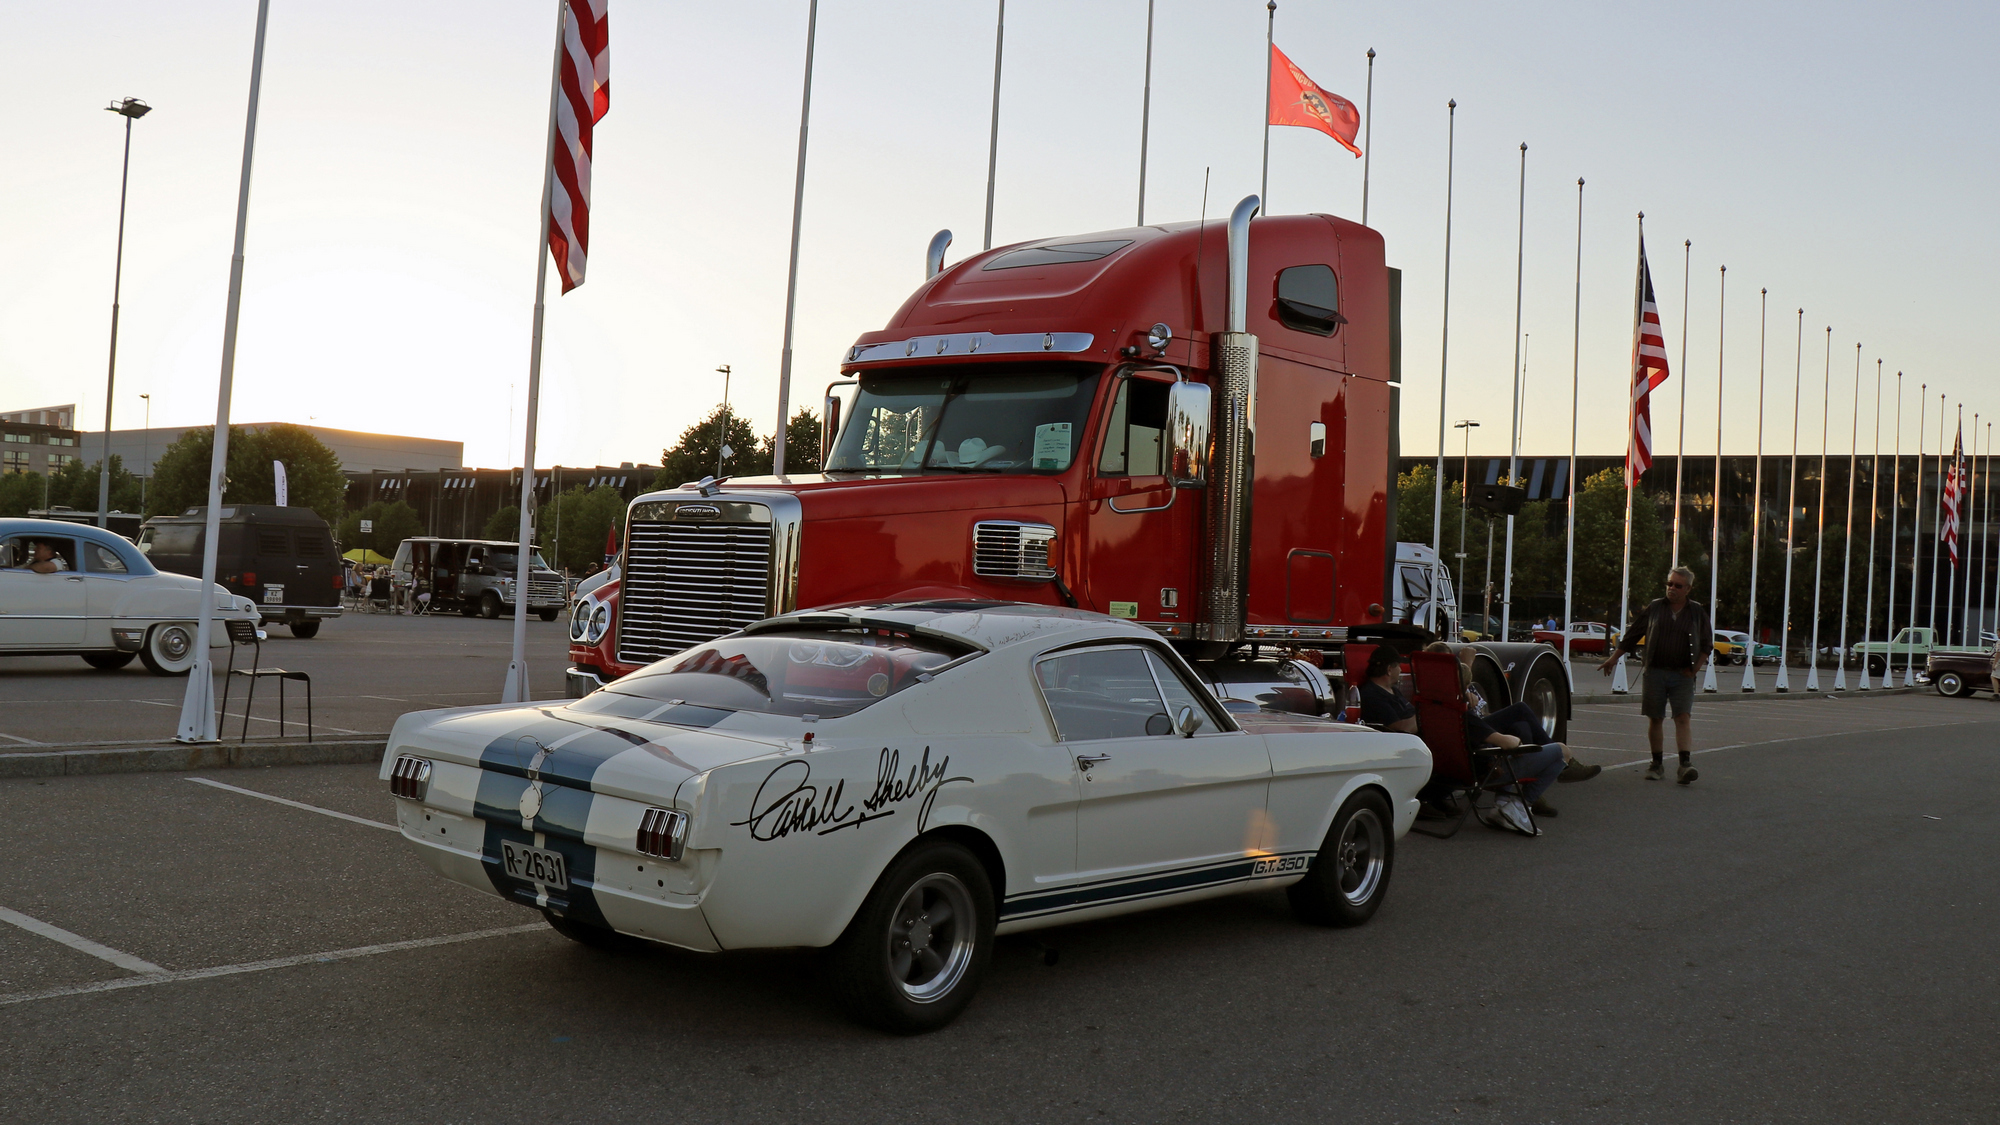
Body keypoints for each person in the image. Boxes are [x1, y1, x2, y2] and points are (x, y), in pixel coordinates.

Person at [1357, 645, 1567, 835]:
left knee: (1520, 723)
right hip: (1448, 752)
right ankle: (1537, 780)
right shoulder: (1373, 695)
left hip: (1445, 745)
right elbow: (1402, 728)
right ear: (1389, 669)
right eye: (1397, 667)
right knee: (1484, 717)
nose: (1400, 671)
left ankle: (1513, 794)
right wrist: (1431, 711)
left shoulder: (1392, 691)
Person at [1599, 565, 1712, 784]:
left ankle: (1685, 765)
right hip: (1655, 673)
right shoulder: (1655, 607)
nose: (1672, 589)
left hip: (1683, 675)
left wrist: (1694, 669)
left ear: (1688, 589)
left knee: (1683, 717)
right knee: (1655, 718)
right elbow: (1633, 635)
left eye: (1677, 586)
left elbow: (1707, 644)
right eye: (1669, 584)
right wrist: (1613, 658)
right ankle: (1656, 764)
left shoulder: (1696, 611)